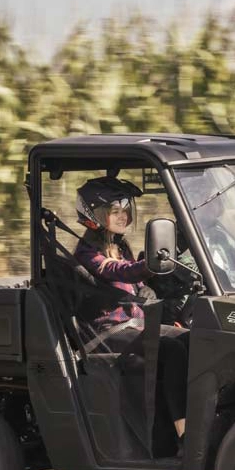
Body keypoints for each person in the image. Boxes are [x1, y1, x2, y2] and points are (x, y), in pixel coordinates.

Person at [73, 175, 190, 444]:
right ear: (93, 213)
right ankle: (184, 434)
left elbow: (130, 279)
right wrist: (150, 265)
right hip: (107, 333)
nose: (123, 216)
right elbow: (117, 271)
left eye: (125, 210)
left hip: (134, 325)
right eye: (115, 210)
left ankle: (186, 421)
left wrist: (144, 287)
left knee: (190, 339)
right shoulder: (86, 252)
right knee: (172, 350)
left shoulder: (120, 245)